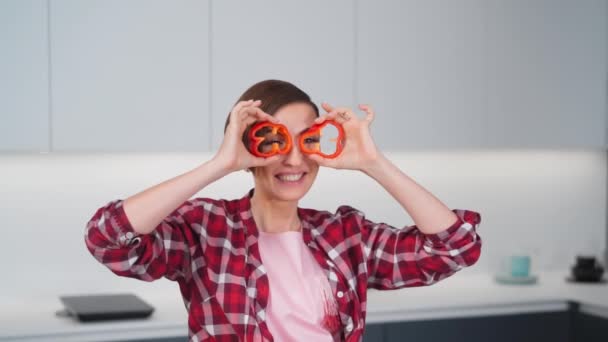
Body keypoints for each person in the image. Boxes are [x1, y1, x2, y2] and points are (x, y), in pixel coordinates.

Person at [84, 79, 482, 342]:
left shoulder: (345, 235)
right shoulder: (207, 230)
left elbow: (455, 248)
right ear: (249, 148)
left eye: (306, 141)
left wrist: (374, 162)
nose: (294, 160)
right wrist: (219, 164)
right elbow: (108, 240)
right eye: (274, 140)